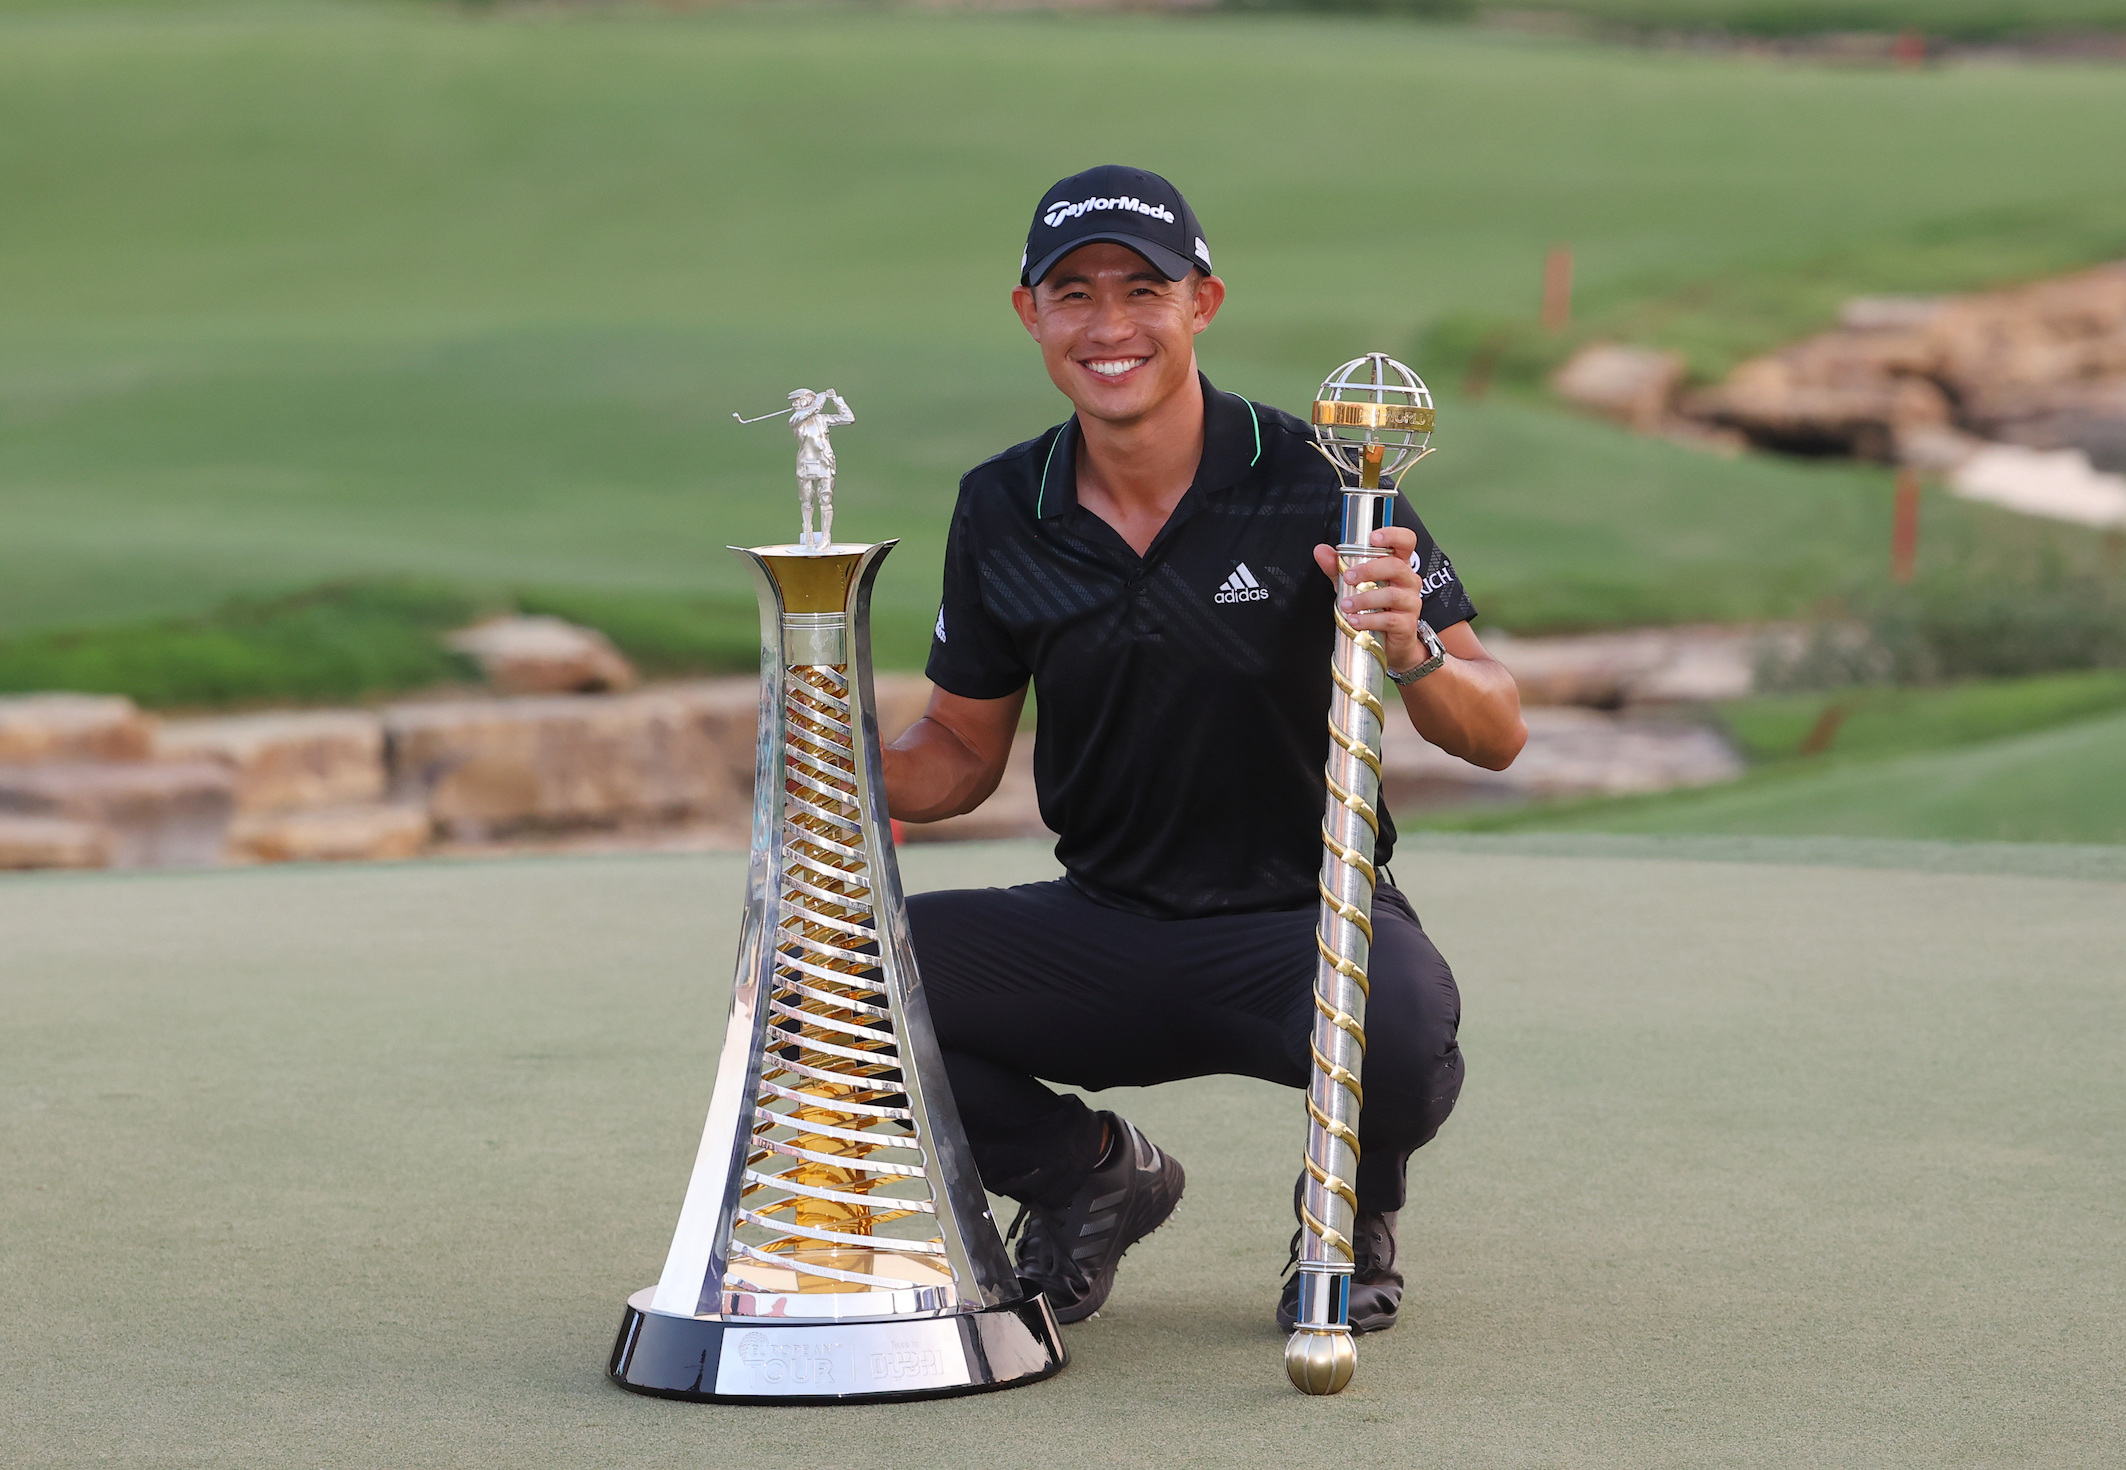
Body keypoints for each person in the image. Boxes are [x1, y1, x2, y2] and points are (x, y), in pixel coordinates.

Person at [882, 165, 1526, 1332]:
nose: (1109, 326)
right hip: (1101, 924)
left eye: (1144, 290)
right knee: (847, 984)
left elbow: (1496, 727)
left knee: (1399, 1028)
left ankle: (1351, 1208)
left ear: (1202, 304)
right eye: (1073, 294)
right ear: (1029, 313)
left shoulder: (1327, 482)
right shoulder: (1001, 505)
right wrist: (825, 760)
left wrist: (1412, 649)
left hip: (1304, 921)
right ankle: (1085, 1176)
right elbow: (958, 757)